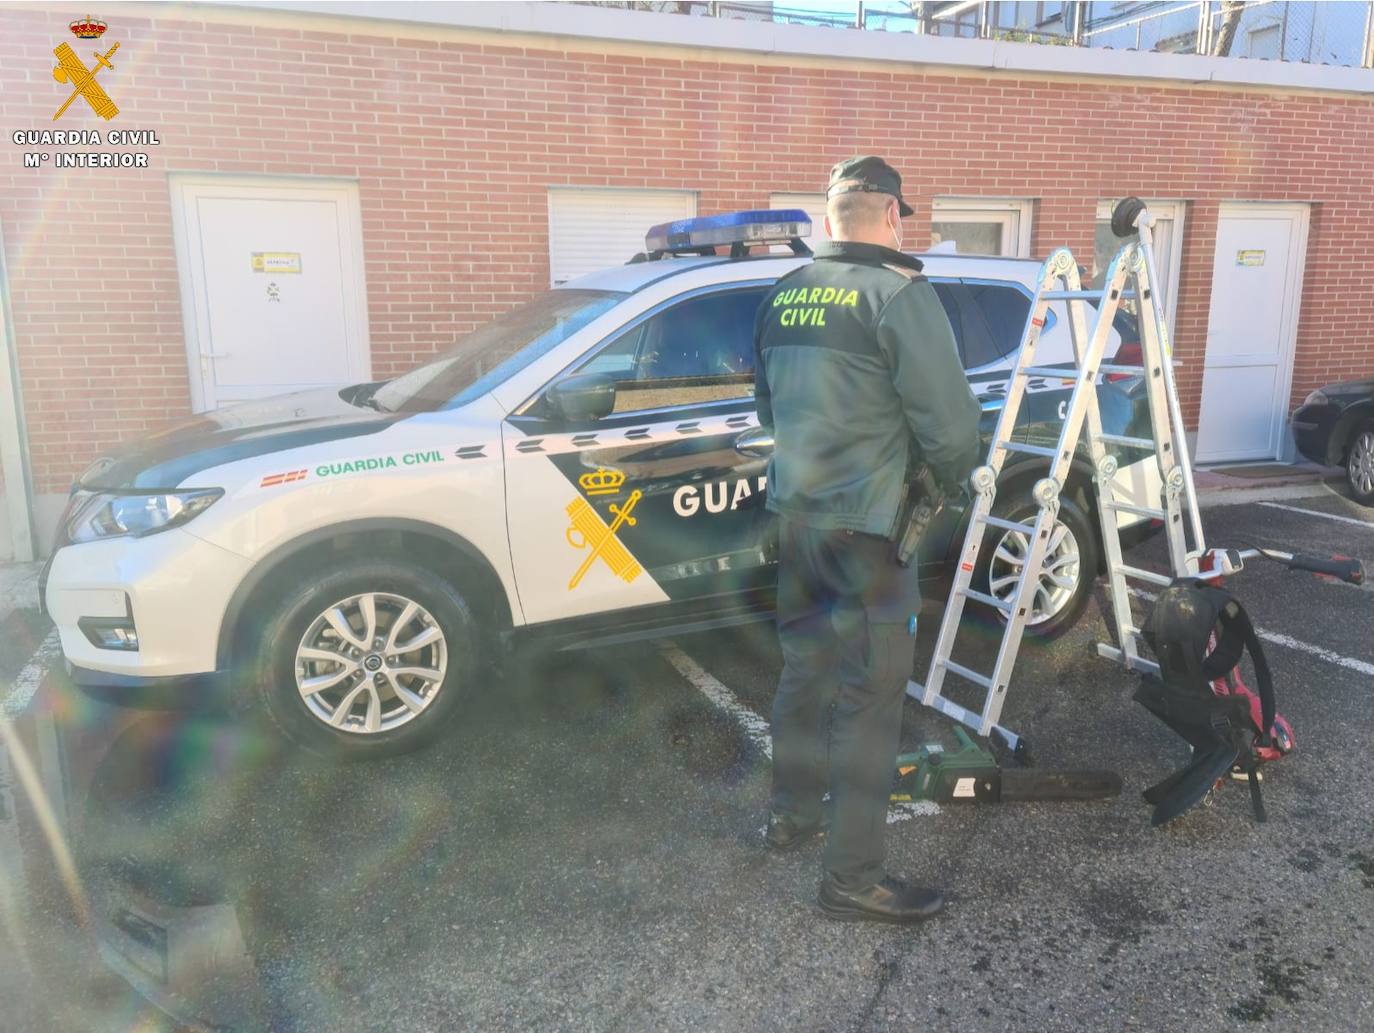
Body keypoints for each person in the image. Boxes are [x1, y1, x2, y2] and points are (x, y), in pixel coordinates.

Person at [753, 156, 982, 924]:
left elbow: (766, 409)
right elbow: (951, 430)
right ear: (892, 217)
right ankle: (852, 879)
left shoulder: (784, 294)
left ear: (829, 221)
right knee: (869, 700)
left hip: (797, 521)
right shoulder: (898, 295)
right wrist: (946, 482)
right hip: (868, 535)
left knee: (803, 674)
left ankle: (791, 814)